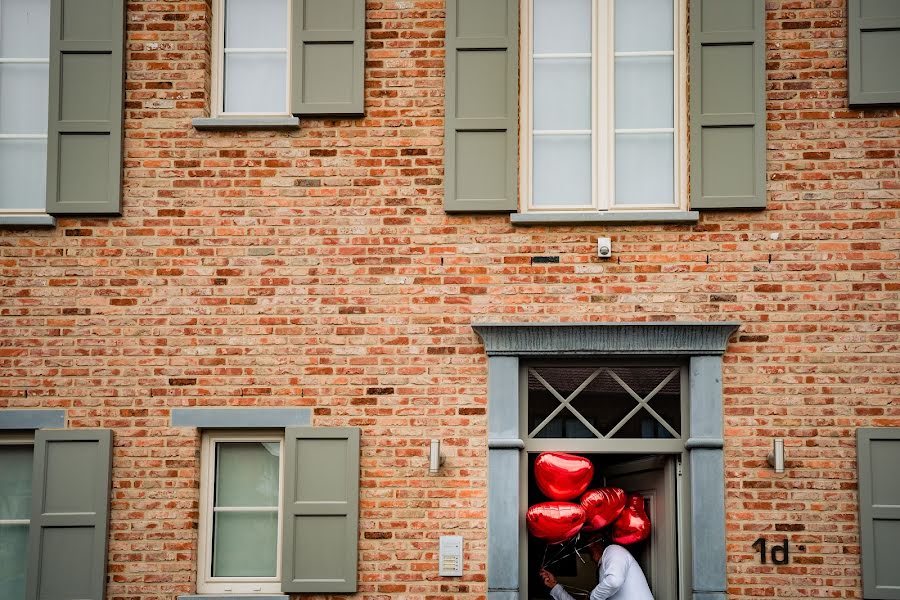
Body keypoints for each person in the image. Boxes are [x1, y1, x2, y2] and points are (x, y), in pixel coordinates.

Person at [539, 535, 654, 600]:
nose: (587, 547)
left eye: (590, 541)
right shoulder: (603, 571)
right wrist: (554, 586)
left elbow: (614, 581)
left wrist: (592, 598)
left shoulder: (614, 550)